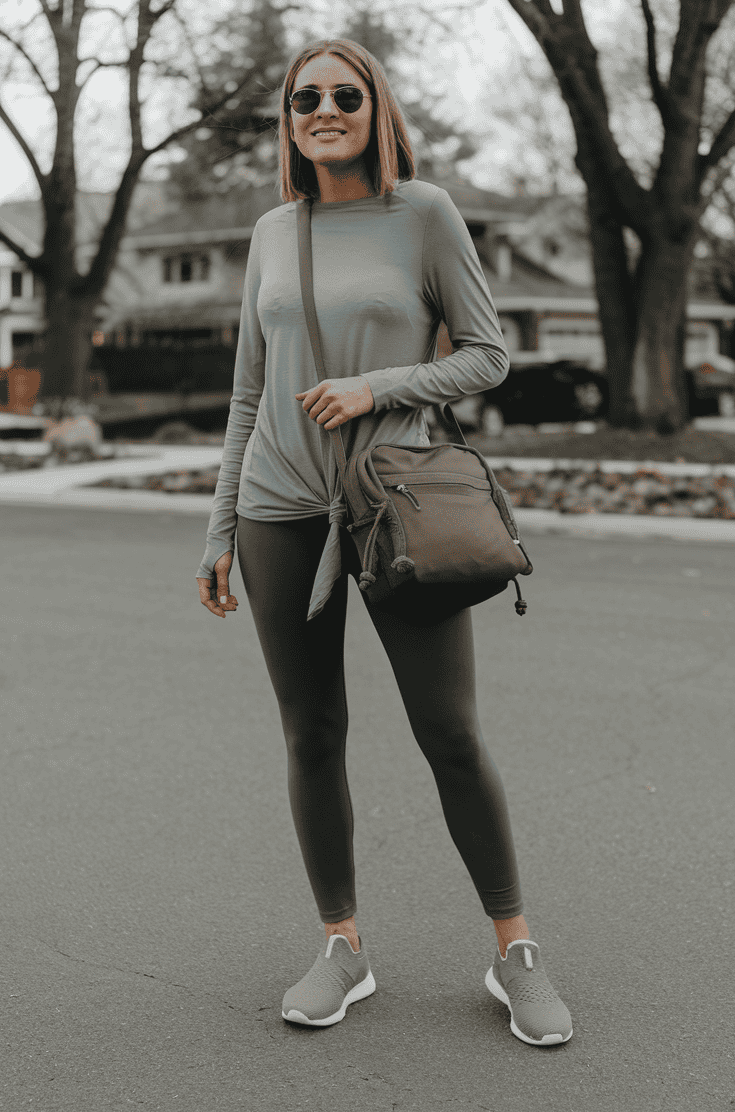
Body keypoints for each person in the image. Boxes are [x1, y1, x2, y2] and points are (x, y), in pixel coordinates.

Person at [196, 38, 573, 1047]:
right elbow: (245, 393)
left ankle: (515, 948)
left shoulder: (426, 213)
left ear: (376, 107)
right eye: (303, 97)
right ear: (287, 119)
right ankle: (343, 943)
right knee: (311, 732)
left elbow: (489, 353)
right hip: (279, 506)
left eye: (343, 94)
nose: (323, 108)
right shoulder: (277, 231)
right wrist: (219, 524)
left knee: (449, 731)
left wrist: (380, 387)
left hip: (395, 501)